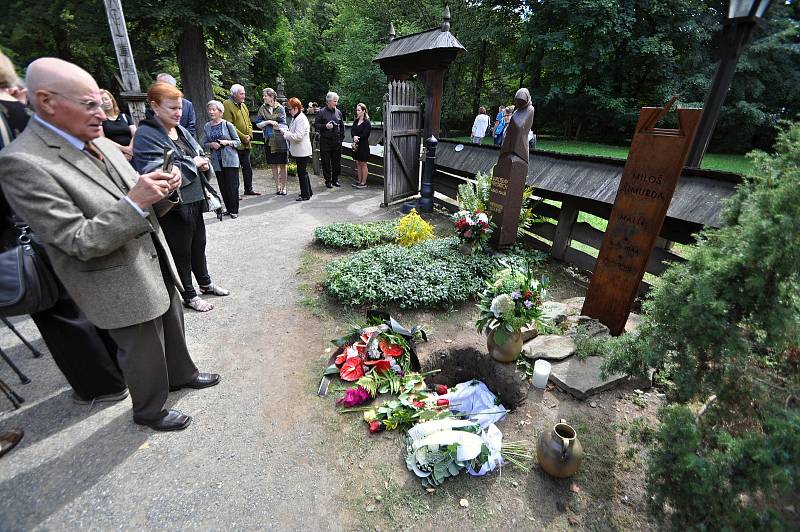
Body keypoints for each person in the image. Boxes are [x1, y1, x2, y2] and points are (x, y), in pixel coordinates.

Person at [0, 58, 221, 431]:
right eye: (89, 103)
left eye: (100, 102)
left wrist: (160, 191)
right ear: (47, 101)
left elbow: (131, 191)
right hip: (113, 275)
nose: (102, 112)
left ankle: (182, 373)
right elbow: (76, 240)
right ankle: (150, 410)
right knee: (142, 347)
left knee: (171, 320)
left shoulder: (98, 139)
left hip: (150, 256)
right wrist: (137, 201)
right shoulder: (23, 162)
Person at [1, 51, 127, 408]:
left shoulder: (30, 117)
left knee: (59, 311)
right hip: (52, 226)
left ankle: (100, 383)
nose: (98, 113)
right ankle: (115, 372)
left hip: (26, 234)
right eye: (89, 104)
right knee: (80, 303)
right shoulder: (24, 115)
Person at [133, 82, 230, 312]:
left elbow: (197, 153)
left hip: (195, 197)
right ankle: (189, 293)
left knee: (199, 244)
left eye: (179, 108)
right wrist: (193, 163)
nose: (178, 113)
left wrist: (202, 162)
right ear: (155, 107)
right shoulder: (147, 133)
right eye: (172, 108)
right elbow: (157, 171)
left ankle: (205, 282)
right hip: (173, 205)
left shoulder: (181, 130)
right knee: (181, 250)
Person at [202, 100, 241, 217]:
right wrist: (211, 145)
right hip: (217, 161)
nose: (211, 112)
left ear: (220, 112)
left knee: (232, 186)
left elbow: (238, 142)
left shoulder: (227, 125)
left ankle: (234, 210)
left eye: (213, 110)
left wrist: (226, 142)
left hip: (230, 159)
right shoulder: (207, 126)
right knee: (223, 186)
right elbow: (204, 143)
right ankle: (228, 209)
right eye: (209, 110)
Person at [223, 84, 259, 196]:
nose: (244, 96)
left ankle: (249, 189)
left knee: (247, 168)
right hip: (235, 144)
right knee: (234, 170)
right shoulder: (227, 104)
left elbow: (248, 122)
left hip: (246, 144)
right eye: (241, 93)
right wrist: (243, 137)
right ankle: (235, 193)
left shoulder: (243, 105)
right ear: (234, 94)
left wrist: (250, 135)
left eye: (244, 93)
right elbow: (229, 125)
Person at [255, 88, 288, 195]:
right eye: (263, 95)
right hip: (269, 139)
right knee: (273, 164)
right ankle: (277, 187)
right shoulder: (262, 108)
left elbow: (284, 124)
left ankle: (284, 187)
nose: (263, 97)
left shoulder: (280, 108)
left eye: (265, 95)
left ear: (271, 97)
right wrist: (268, 121)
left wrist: (276, 125)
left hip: (280, 139)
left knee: (283, 164)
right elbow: (258, 123)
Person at [283, 97, 313, 201]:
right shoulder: (296, 117)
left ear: (296, 108)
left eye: (290, 109)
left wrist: (285, 134)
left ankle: (305, 195)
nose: (289, 111)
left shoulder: (300, 118)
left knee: (302, 173)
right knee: (303, 172)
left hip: (302, 151)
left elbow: (298, 136)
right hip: (300, 150)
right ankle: (308, 192)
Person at [314, 91, 344, 188]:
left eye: (337, 101)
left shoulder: (338, 112)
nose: (336, 103)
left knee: (336, 162)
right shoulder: (321, 112)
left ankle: (335, 179)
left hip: (336, 141)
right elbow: (316, 126)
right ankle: (328, 181)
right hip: (325, 141)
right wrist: (325, 126)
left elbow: (342, 127)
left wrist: (341, 139)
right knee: (326, 162)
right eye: (335, 101)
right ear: (328, 101)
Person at [156, 73, 196, 137]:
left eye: (160, 85)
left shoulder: (187, 105)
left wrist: (178, 138)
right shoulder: (156, 105)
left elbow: (191, 126)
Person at [99, 89, 136, 161]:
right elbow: (102, 139)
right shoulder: (100, 121)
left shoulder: (124, 116)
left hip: (133, 155)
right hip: (115, 158)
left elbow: (136, 134)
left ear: (111, 100)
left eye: (106, 99)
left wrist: (130, 149)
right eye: (102, 101)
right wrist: (124, 149)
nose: (105, 102)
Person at [350, 103, 371, 188]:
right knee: (358, 163)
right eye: (357, 110)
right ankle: (359, 181)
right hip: (356, 146)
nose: (357, 111)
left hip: (363, 146)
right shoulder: (356, 121)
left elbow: (366, 134)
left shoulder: (367, 123)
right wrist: (354, 136)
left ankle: (363, 182)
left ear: (363, 111)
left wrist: (357, 138)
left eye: (359, 110)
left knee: (363, 163)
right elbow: (352, 131)